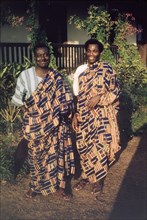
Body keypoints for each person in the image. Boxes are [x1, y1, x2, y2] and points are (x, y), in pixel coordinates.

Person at [11, 43, 75, 200]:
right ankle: (35, 186)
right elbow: (18, 101)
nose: (42, 58)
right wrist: (33, 111)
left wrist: (63, 111)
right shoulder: (25, 76)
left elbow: (66, 99)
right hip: (34, 125)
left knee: (57, 154)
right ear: (34, 57)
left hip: (55, 125)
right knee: (35, 156)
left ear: (49, 56)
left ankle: (60, 186)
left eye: (45, 54)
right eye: (39, 55)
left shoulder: (57, 77)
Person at [72, 39, 121, 198]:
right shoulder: (80, 70)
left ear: (99, 52)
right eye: (89, 50)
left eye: (95, 50)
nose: (91, 53)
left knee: (100, 146)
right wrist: (75, 114)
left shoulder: (107, 69)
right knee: (84, 145)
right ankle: (86, 177)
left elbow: (116, 91)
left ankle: (98, 179)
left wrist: (99, 97)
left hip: (102, 116)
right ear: (85, 52)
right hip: (85, 115)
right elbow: (77, 96)